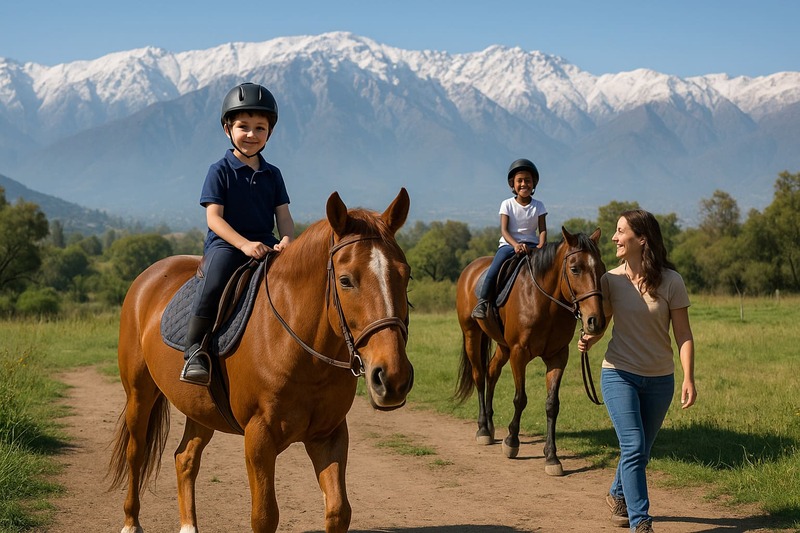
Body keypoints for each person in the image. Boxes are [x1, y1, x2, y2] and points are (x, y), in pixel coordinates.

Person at [577, 209, 697, 532]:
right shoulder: (610, 280)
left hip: (660, 380)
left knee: (640, 451)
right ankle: (641, 522)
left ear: (641, 239)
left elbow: (683, 334)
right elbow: (602, 323)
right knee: (633, 445)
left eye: (620, 231)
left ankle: (618, 493)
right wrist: (590, 338)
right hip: (619, 374)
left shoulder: (672, 282)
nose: (614, 238)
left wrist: (688, 377)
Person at [181, 82, 295, 385]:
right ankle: (195, 349)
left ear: (269, 132)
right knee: (215, 280)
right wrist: (243, 244)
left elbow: (283, 217)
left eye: (260, 128)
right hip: (226, 245)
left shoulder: (273, 174)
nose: (251, 134)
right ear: (227, 129)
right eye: (243, 126)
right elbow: (214, 218)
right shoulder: (219, 171)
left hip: (266, 244)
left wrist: (287, 240)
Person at [471, 158, 547, 319]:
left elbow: (542, 230)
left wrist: (541, 245)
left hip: (533, 245)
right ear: (513, 184)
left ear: (534, 183)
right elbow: (504, 230)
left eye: (528, 180)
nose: (524, 184)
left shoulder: (539, 206)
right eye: (520, 181)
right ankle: (482, 302)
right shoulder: (507, 204)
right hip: (509, 245)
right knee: (494, 268)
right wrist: (515, 245)